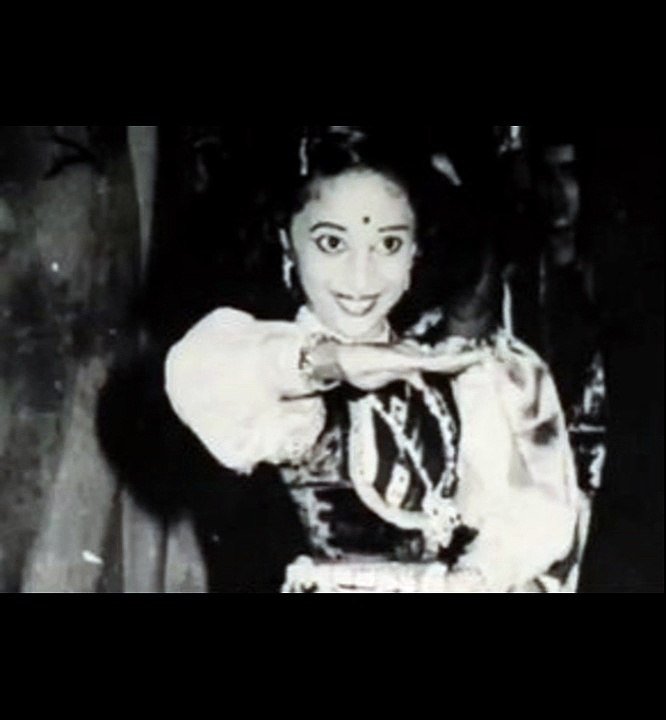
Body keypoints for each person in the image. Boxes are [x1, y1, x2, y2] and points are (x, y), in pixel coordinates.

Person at [164, 126, 584, 593]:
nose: (360, 277)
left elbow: (535, 515)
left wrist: (475, 576)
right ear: (287, 245)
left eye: (388, 244)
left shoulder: (450, 372)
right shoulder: (281, 374)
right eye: (332, 243)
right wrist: (333, 362)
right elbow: (200, 374)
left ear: (415, 250)